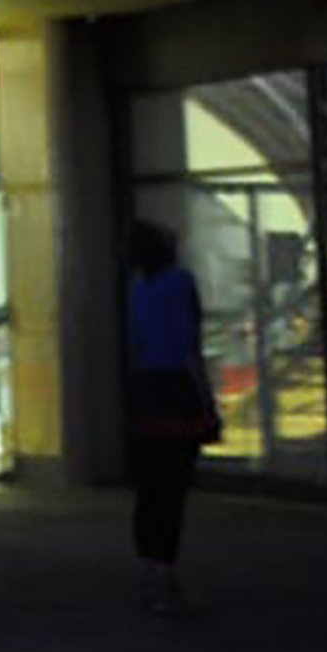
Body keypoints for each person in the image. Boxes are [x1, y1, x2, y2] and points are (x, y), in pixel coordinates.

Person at [124, 219, 216, 615]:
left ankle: (148, 574)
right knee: (173, 490)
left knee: (149, 489)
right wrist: (207, 402)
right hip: (178, 391)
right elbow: (189, 346)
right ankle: (166, 574)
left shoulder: (138, 287)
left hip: (146, 390)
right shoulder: (180, 283)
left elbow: (138, 341)